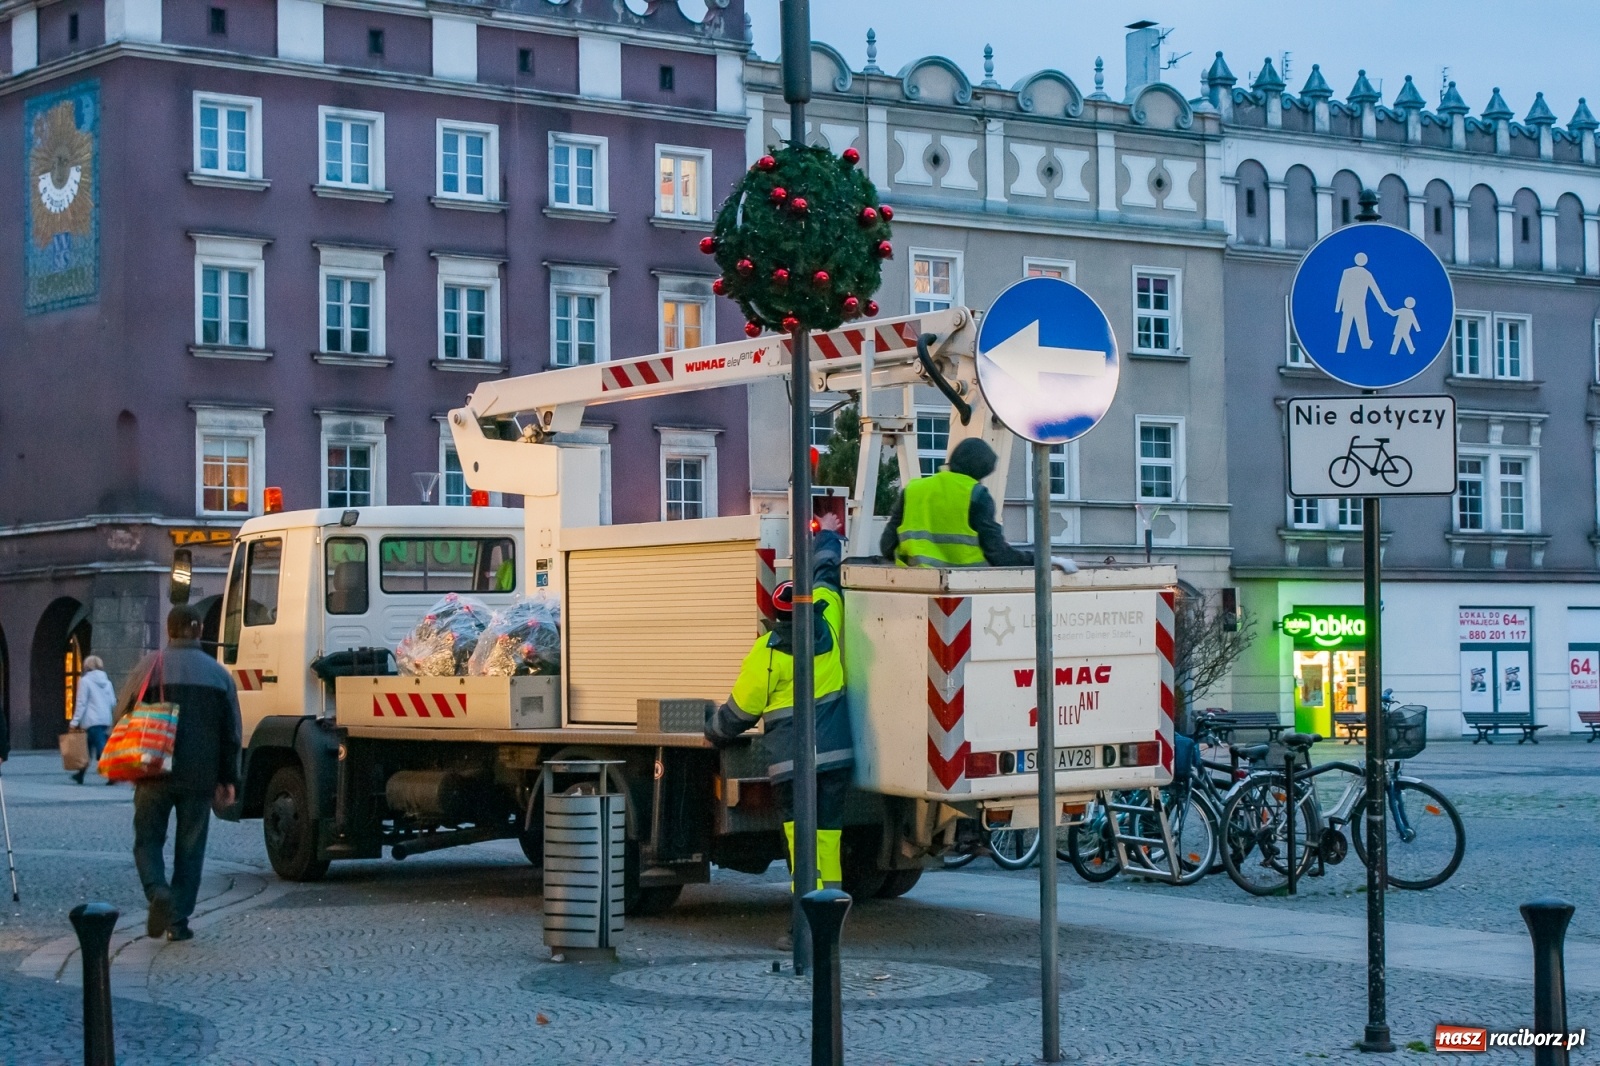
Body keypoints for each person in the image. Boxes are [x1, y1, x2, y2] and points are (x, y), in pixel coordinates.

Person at [705, 530, 852, 946]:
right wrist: (825, 537)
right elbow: (826, 576)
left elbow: (737, 713)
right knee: (828, 843)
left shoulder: (767, 652)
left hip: (793, 767)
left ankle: (804, 932)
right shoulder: (830, 617)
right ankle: (831, 926)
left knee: (802, 847)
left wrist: (711, 731)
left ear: (776, 615)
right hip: (838, 759)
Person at [118, 605, 242, 942]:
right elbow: (231, 733)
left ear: (169, 631)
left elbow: (122, 714)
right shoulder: (219, 675)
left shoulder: (148, 667)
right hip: (199, 778)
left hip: (152, 770)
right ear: (200, 630)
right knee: (190, 850)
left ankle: (157, 890)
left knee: (147, 840)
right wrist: (229, 779)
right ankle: (178, 922)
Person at [881, 438, 1076, 571]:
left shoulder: (913, 490)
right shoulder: (977, 495)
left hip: (911, 589)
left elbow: (887, 546)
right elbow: (999, 555)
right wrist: (1045, 560)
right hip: (965, 593)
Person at [69, 655, 116, 785]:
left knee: (101, 749)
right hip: (105, 719)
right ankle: (80, 774)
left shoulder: (85, 681)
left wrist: (74, 722)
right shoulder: (107, 682)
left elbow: (81, 703)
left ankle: (112, 774)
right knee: (87, 747)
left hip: (91, 720)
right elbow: (112, 702)